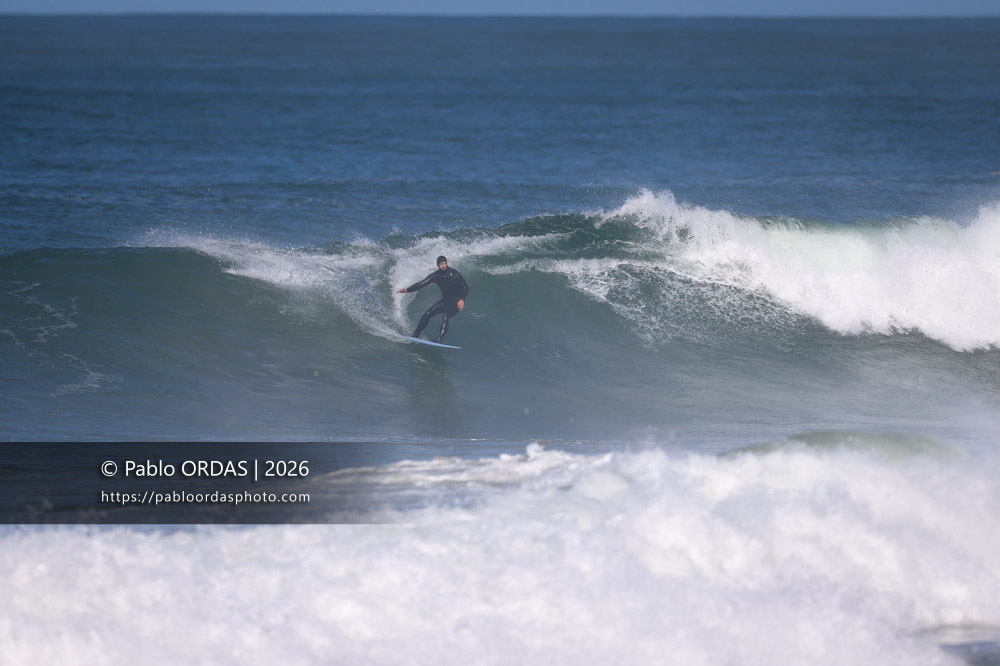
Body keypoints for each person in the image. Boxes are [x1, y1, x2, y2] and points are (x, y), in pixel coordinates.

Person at [396, 255, 469, 343]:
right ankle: (415, 334)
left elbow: (465, 288)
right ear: (438, 265)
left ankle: (439, 339)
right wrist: (407, 290)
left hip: (456, 302)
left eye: (445, 263)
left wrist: (462, 299)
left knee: (446, 316)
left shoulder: (453, 274)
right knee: (427, 314)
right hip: (445, 301)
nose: (443, 266)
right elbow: (420, 284)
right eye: (441, 264)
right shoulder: (436, 276)